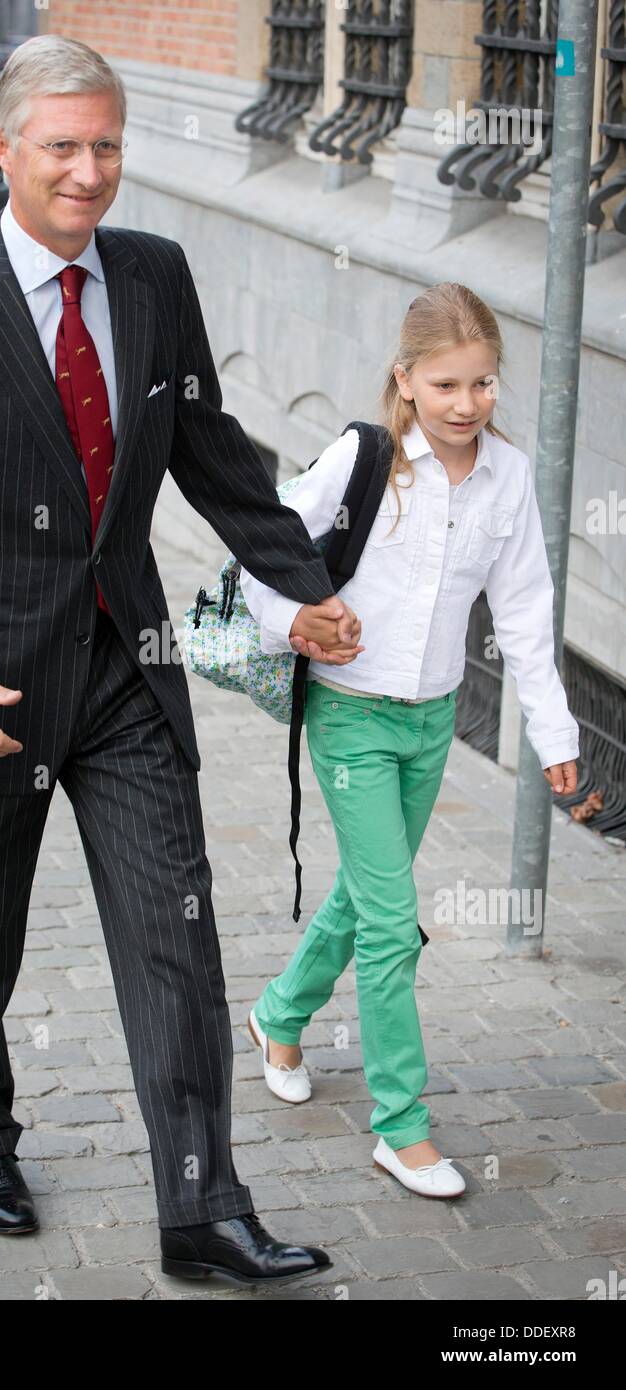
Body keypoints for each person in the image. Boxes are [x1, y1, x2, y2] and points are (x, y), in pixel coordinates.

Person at [0, 34, 363, 1286]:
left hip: (126, 667)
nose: (85, 171)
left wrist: (307, 587)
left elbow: (209, 449)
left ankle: (201, 1210)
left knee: (174, 933)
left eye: (105, 145)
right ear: (4, 149)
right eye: (60, 145)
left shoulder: (155, 276)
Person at [239, 282, 580, 1200]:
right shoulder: (365, 459)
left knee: (361, 894)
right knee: (394, 921)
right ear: (406, 380)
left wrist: (552, 733)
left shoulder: (507, 479)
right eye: (446, 386)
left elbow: (525, 612)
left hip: (433, 722)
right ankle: (401, 1124)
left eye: (483, 384)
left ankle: (277, 1012)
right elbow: (263, 554)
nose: (467, 404)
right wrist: (301, 622)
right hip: (350, 713)